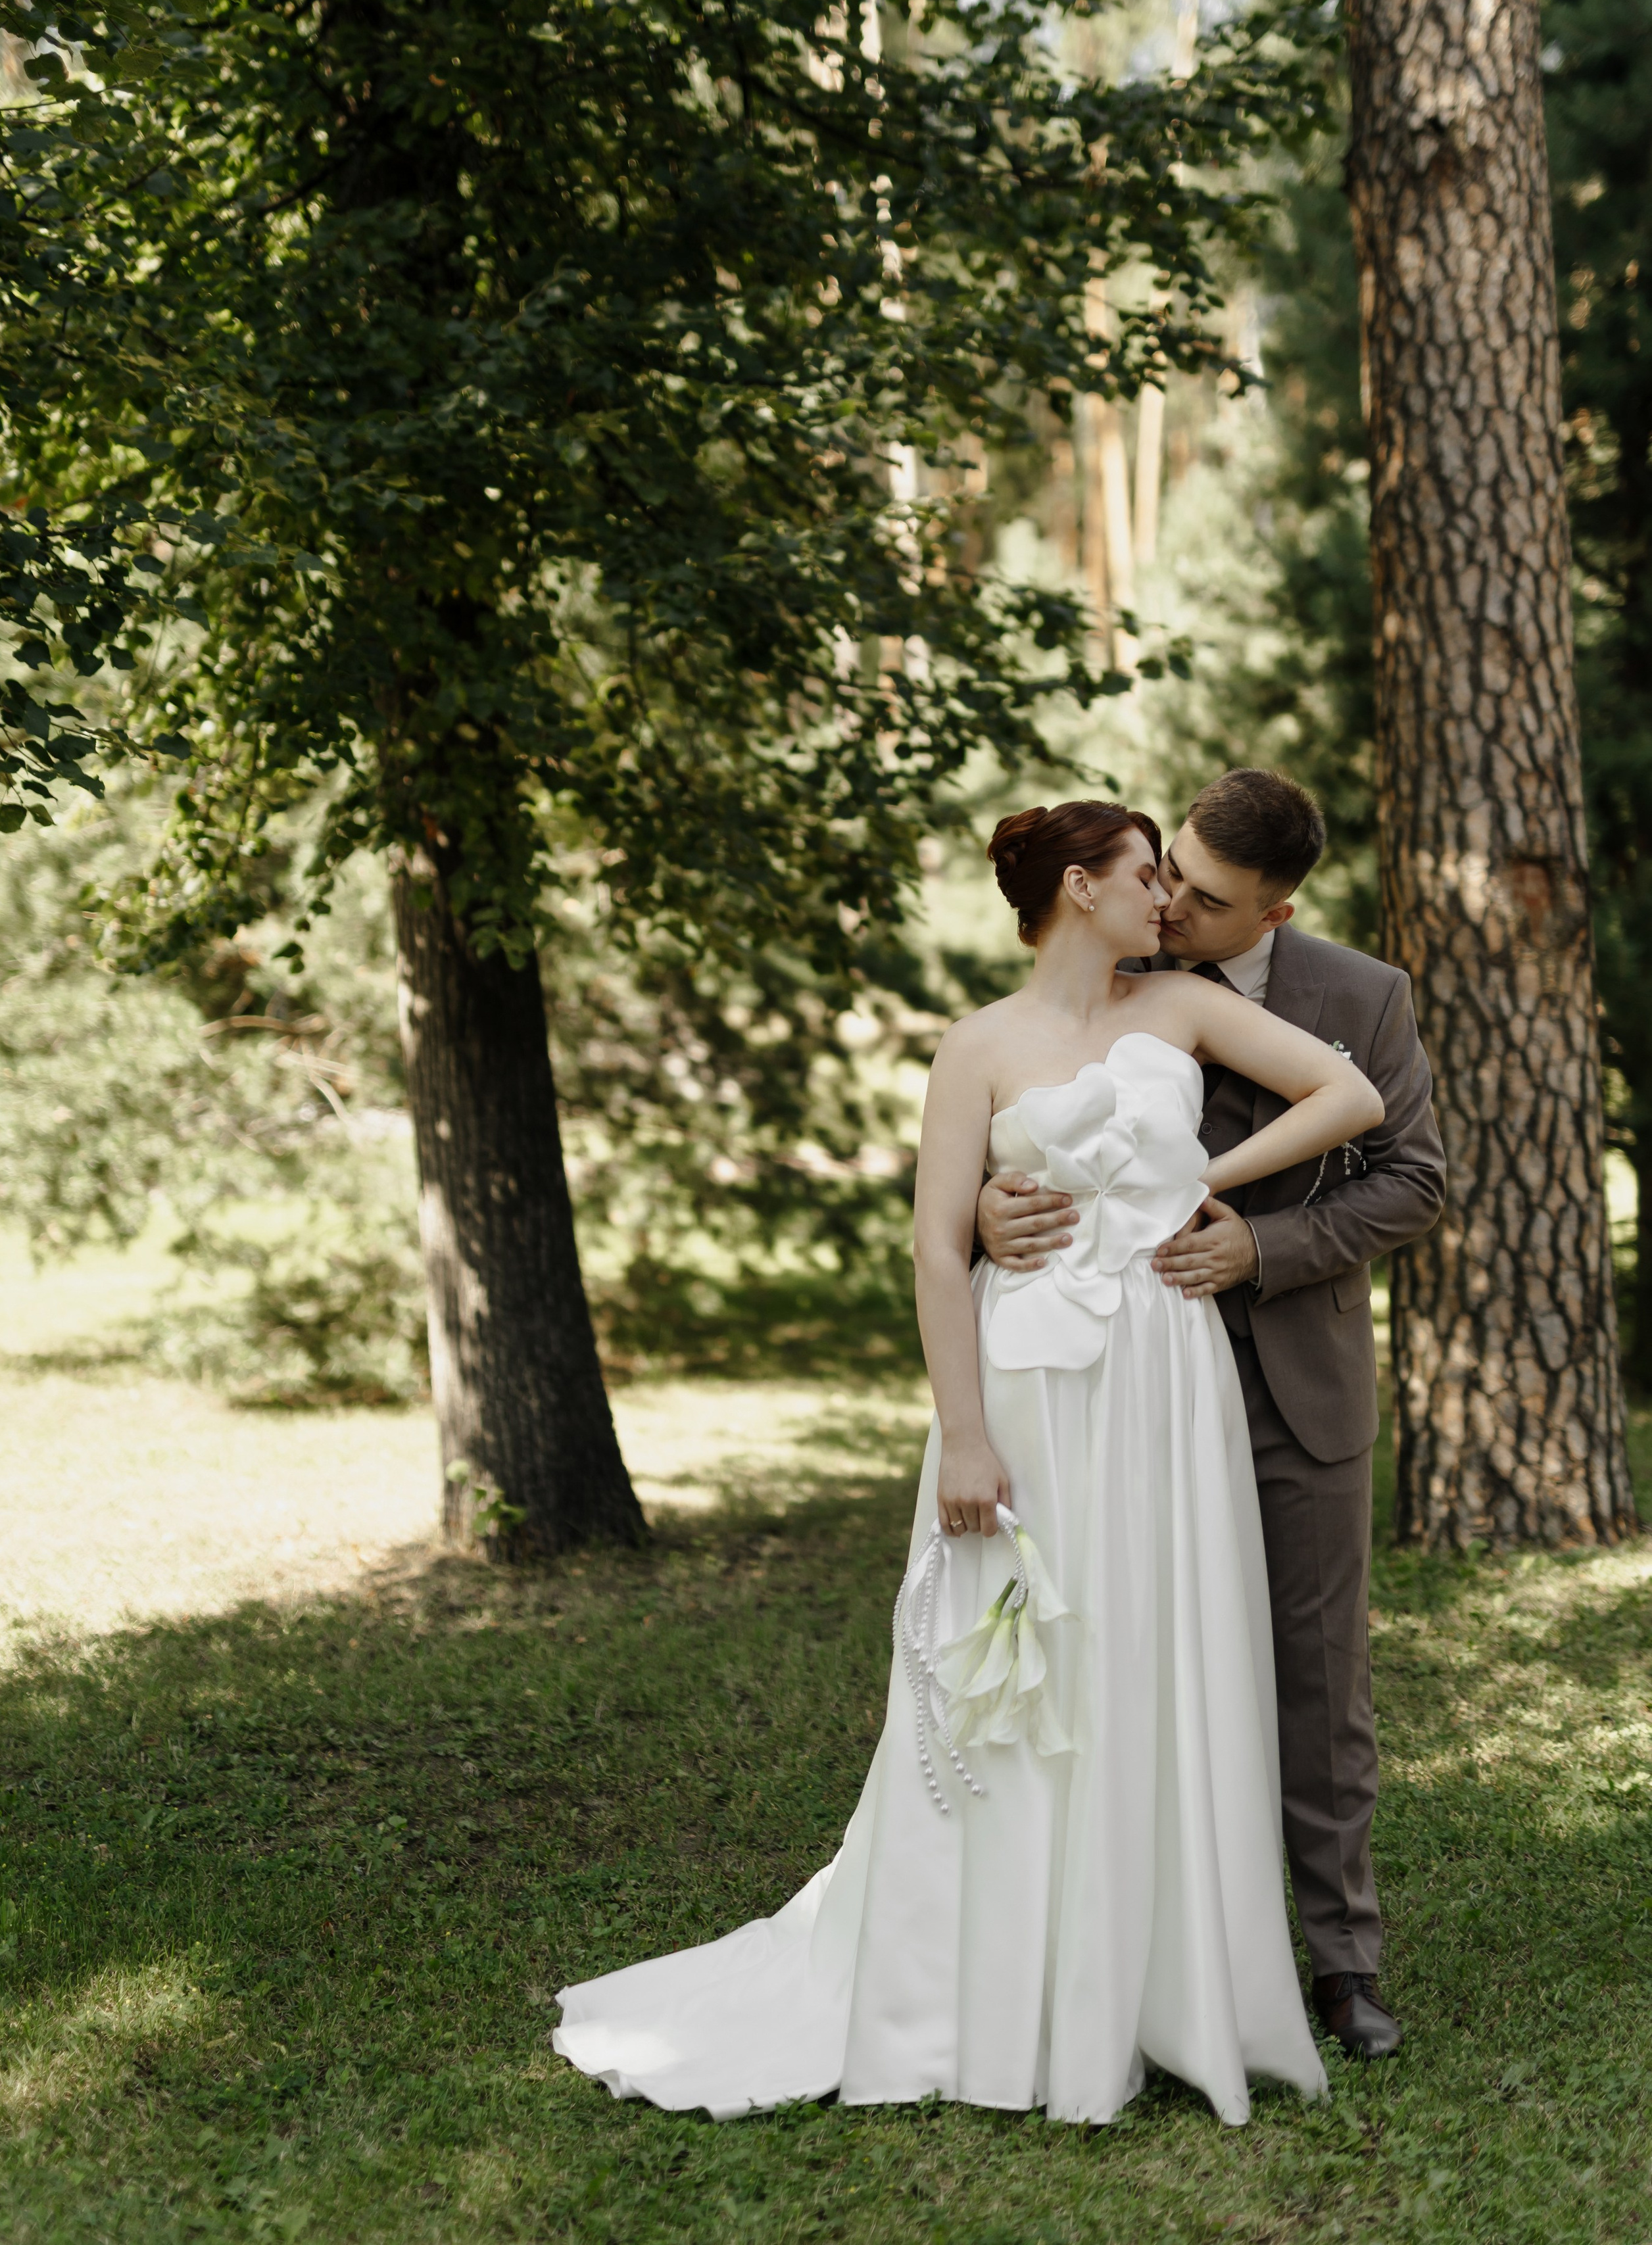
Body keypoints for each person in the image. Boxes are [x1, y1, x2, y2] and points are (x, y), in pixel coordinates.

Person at [552, 798, 1385, 2125]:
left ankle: (1165, 1979)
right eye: (1140, 877)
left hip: (1166, 1384)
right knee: (1017, 1672)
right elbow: (939, 1249)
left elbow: (1348, 1094)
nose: (1162, 900)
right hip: (1033, 1391)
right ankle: (1003, 1982)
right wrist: (967, 1433)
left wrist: (1201, 1180)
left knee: (1158, 1651)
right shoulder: (976, 1047)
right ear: (1075, 888)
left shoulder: (1177, 1010)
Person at [977, 768, 1445, 2064]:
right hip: (1114, 1387)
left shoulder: (1362, 998)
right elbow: (1007, 1123)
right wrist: (982, 1209)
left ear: (1278, 908)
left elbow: (1411, 1180)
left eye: (1207, 896)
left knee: (1315, 1682)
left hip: (1287, 1390)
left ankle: (1341, 1966)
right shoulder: (1112, 951)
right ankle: (1145, 1956)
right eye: (1168, 870)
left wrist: (1266, 1247)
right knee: (1124, 1659)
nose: (1171, 903)